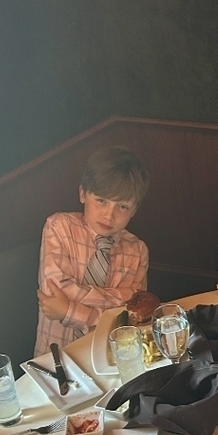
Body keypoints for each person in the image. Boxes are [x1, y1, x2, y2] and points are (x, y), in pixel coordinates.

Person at [35, 146, 151, 355]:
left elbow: (127, 318)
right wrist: (122, 296)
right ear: (82, 194)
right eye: (101, 201)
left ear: (133, 210)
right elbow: (55, 291)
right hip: (56, 360)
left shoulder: (138, 251)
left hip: (111, 355)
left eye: (122, 207)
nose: (109, 215)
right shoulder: (59, 227)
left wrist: (68, 310)